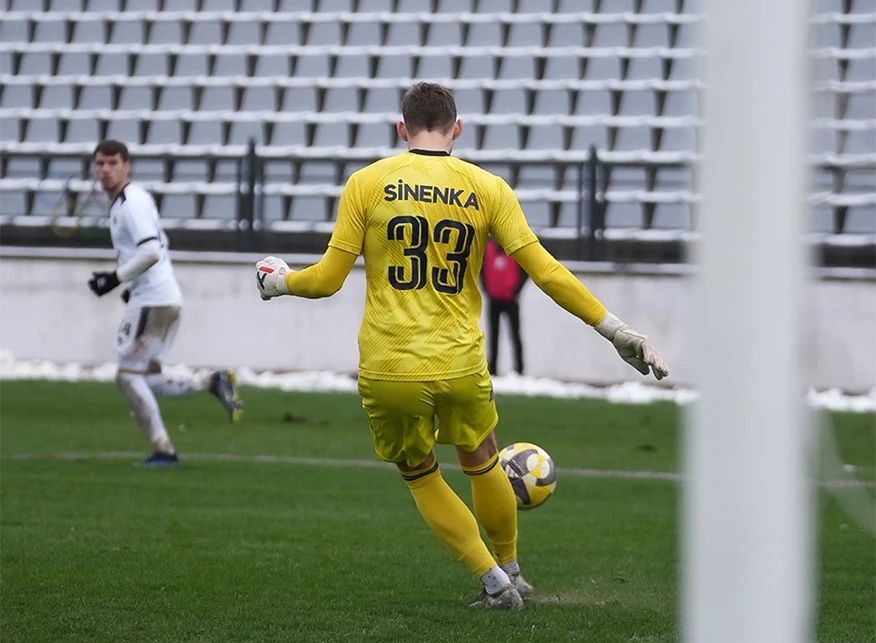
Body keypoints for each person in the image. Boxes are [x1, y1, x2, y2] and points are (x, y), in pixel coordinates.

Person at [253, 83, 668, 609]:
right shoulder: (487, 187)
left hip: (389, 363)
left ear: (401, 129)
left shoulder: (367, 183)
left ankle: (493, 583)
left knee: (419, 472)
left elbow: (329, 280)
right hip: (459, 360)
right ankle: (511, 570)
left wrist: (280, 281)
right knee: (483, 456)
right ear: (458, 128)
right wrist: (614, 329)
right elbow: (544, 270)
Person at [86, 139, 243, 467]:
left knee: (127, 376)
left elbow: (152, 250)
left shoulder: (130, 203)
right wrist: (132, 285)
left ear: (127, 166)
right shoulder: (129, 202)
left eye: (112, 163)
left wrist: (116, 279)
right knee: (146, 376)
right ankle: (210, 382)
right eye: (100, 163)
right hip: (161, 296)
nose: (105, 170)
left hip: (154, 300)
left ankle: (163, 450)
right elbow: (159, 247)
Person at [481, 237, 527, 375]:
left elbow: (525, 271)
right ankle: (493, 370)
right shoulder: (487, 248)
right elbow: (481, 269)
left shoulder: (514, 249)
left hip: (510, 299)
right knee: (493, 336)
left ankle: (519, 370)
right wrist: (487, 289)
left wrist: (516, 290)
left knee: (515, 335)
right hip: (493, 299)